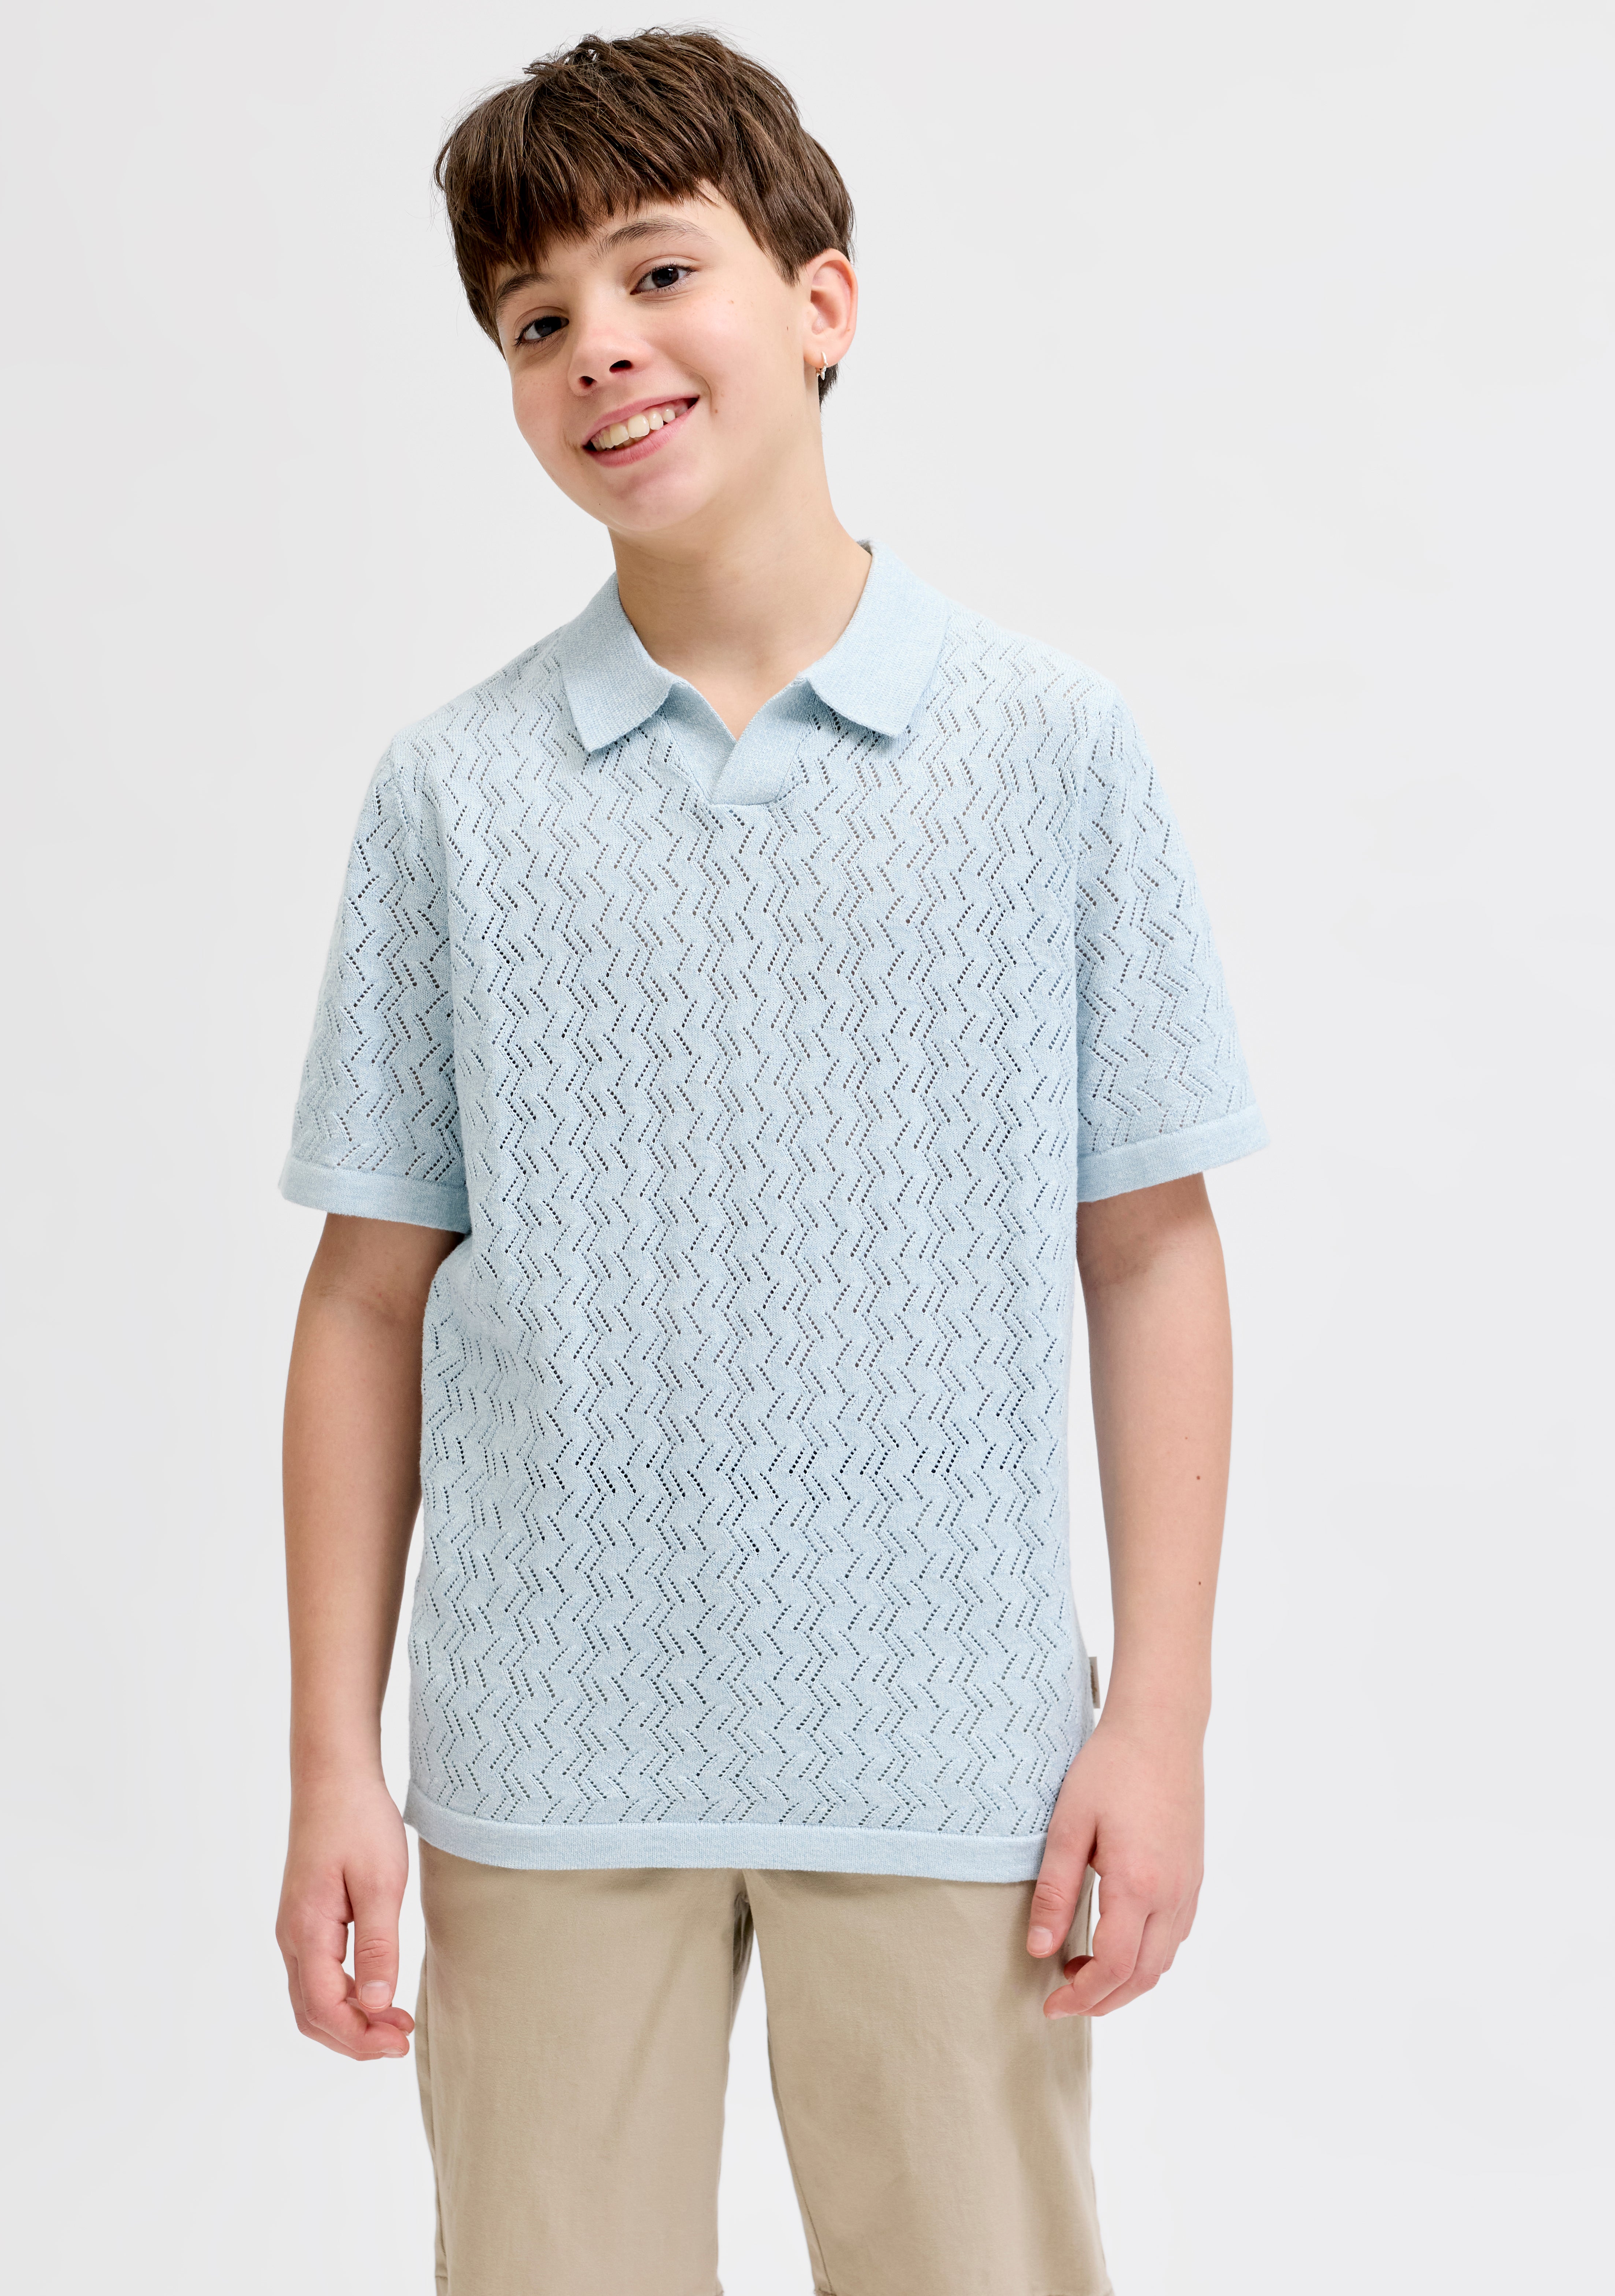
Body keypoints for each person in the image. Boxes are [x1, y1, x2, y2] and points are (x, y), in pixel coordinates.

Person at [274, 29, 1266, 2296]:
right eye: (534, 318)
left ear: (821, 301)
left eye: (656, 274)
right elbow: (364, 1298)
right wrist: (337, 1759)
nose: (597, 347)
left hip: (950, 1763)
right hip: (543, 1766)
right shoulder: (453, 799)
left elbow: (1148, 1250)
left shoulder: (1047, 751)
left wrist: (1157, 1719)